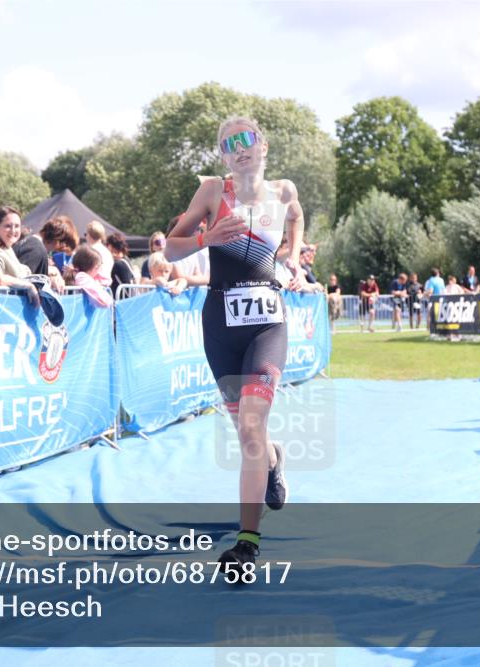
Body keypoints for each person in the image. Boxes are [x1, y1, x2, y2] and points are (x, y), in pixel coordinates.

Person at [164, 116, 306, 576]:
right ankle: (274, 459)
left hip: (267, 326)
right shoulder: (211, 192)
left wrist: (292, 256)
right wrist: (206, 238)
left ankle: (247, 544)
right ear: (223, 156)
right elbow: (170, 250)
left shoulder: (283, 191)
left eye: (246, 139)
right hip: (221, 326)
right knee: (249, 435)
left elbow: (296, 216)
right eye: (229, 143)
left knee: (249, 427)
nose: (239, 148)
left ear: (263, 145)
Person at [0, 206, 41, 305]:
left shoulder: (7, 250)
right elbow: (0, 279)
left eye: (17, 226)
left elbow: (22, 271)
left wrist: (52, 273)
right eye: (8, 226)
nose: (13, 231)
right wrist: (29, 286)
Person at [86, 220, 114, 284]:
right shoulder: (107, 252)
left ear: (89, 235)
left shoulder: (90, 251)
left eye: (86, 234)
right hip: (105, 286)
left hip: (93, 285)